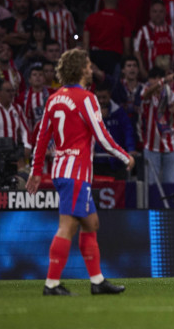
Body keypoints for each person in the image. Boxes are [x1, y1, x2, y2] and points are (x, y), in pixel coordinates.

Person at [27, 49, 135, 296]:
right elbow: (102, 136)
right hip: (75, 172)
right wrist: (125, 156)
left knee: (91, 223)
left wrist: (35, 172)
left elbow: (42, 138)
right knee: (67, 227)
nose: (91, 69)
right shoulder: (86, 98)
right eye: (87, 65)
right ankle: (51, 284)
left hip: (62, 170)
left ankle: (97, 281)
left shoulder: (54, 98)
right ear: (79, 69)